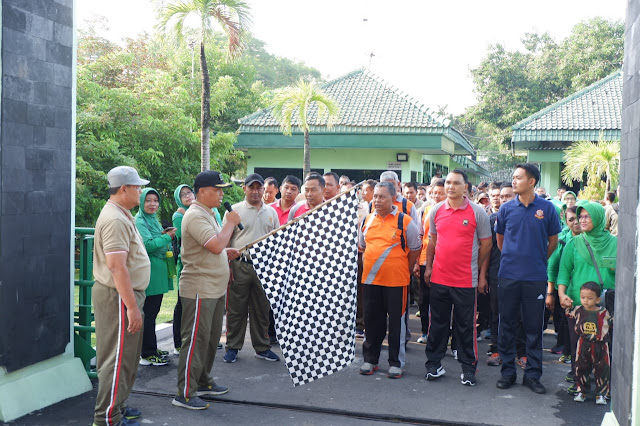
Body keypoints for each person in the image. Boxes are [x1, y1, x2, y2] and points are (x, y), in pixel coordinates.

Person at [173, 170, 242, 411]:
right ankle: (185, 393)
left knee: (211, 340)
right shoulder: (194, 215)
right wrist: (230, 225)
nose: (222, 194)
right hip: (199, 289)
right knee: (195, 341)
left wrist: (225, 251)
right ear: (203, 192)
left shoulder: (209, 212)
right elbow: (214, 245)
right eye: (218, 189)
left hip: (214, 287)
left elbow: (214, 247)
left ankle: (202, 381)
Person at [495, 163, 561, 394]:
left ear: (532, 181)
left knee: (534, 328)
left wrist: (538, 260)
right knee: (507, 326)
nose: (514, 181)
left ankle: (532, 375)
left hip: (535, 278)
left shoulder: (547, 208)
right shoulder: (506, 209)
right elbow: (500, 241)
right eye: (513, 177)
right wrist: (514, 259)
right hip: (508, 276)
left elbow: (553, 241)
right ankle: (508, 372)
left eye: (518, 178)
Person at [92, 166, 151, 426]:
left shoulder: (122, 213)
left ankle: (117, 406)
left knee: (126, 356)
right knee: (116, 358)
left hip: (123, 295)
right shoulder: (115, 219)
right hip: (117, 296)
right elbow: (117, 266)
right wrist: (131, 307)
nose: (141, 190)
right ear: (124, 189)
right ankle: (107, 418)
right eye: (137, 186)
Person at [423, 170, 492, 386]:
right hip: (439, 279)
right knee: (437, 324)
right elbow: (433, 241)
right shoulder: (435, 211)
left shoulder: (477, 212)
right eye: (448, 183)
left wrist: (476, 268)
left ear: (465, 187)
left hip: (465, 280)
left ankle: (468, 368)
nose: (451, 187)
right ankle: (434, 365)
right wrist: (429, 268)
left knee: (465, 326)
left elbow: (486, 245)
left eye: (456, 183)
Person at [358, 182, 420, 379]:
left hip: (396, 282)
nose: (377, 200)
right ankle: (370, 360)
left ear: (394, 198)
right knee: (371, 321)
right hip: (370, 281)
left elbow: (415, 248)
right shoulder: (367, 220)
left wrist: (405, 269)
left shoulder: (405, 221)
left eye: (382, 196)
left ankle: (396, 362)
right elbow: (362, 247)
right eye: (375, 196)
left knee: (396, 324)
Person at [557, 202, 617, 396]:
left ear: (599, 218)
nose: (581, 220)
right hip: (578, 305)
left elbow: (628, 273)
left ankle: (604, 386)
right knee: (579, 347)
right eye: (580, 216)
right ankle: (579, 383)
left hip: (605, 306)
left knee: (605, 347)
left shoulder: (616, 243)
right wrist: (561, 293)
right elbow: (564, 272)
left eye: (587, 216)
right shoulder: (575, 243)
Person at [223, 173, 280, 363]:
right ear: (244, 189)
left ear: (264, 190)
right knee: (236, 309)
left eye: (258, 188)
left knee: (262, 309)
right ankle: (232, 347)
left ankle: (262, 347)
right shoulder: (234, 211)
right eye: (251, 187)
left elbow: (276, 242)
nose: (255, 191)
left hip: (264, 266)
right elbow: (225, 240)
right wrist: (228, 267)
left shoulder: (271, 212)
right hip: (240, 265)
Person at [135, 188, 175, 367]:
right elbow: (148, 245)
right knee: (149, 314)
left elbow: (156, 241)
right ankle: (147, 353)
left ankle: (151, 348)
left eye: (155, 200)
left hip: (158, 270)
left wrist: (163, 236)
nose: (152, 204)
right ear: (141, 202)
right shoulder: (139, 220)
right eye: (148, 200)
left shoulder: (152, 220)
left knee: (153, 312)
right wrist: (167, 238)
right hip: (149, 272)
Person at [413, 178, 445, 343]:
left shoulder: (449, 212)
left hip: (445, 262)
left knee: (442, 301)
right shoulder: (425, 211)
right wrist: (417, 262)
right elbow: (420, 237)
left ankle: (444, 335)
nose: (436, 196)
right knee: (425, 299)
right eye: (433, 193)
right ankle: (425, 332)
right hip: (426, 260)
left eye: (440, 193)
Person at [569, 282, 612, 405]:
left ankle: (601, 394)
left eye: (589, 298)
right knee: (581, 368)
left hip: (600, 345)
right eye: (583, 297)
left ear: (598, 299)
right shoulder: (578, 310)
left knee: (602, 370)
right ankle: (581, 391)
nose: (585, 301)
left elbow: (608, 326)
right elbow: (569, 313)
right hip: (583, 344)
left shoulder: (604, 312)